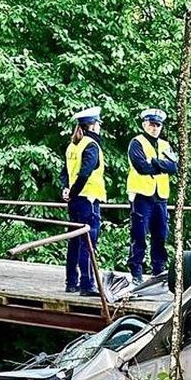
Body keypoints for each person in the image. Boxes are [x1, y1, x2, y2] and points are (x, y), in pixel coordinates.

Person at [126, 107, 178, 287]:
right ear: (144, 124)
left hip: (161, 197)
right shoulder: (137, 142)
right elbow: (141, 167)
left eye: (158, 125)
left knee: (161, 234)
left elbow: (174, 167)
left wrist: (155, 162)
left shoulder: (165, 144)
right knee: (139, 234)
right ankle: (136, 271)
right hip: (142, 195)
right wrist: (161, 165)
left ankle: (159, 271)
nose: (155, 128)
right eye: (151, 124)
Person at [60, 107, 106, 295]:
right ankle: (87, 285)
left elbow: (65, 172)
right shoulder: (91, 145)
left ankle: (71, 282)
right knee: (88, 242)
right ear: (93, 126)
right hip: (88, 198)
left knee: (73, 241)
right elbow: (85, 173)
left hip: (75, 201)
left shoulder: (73, 145)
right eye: (98, 124)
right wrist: (73, 191)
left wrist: (67, 189)